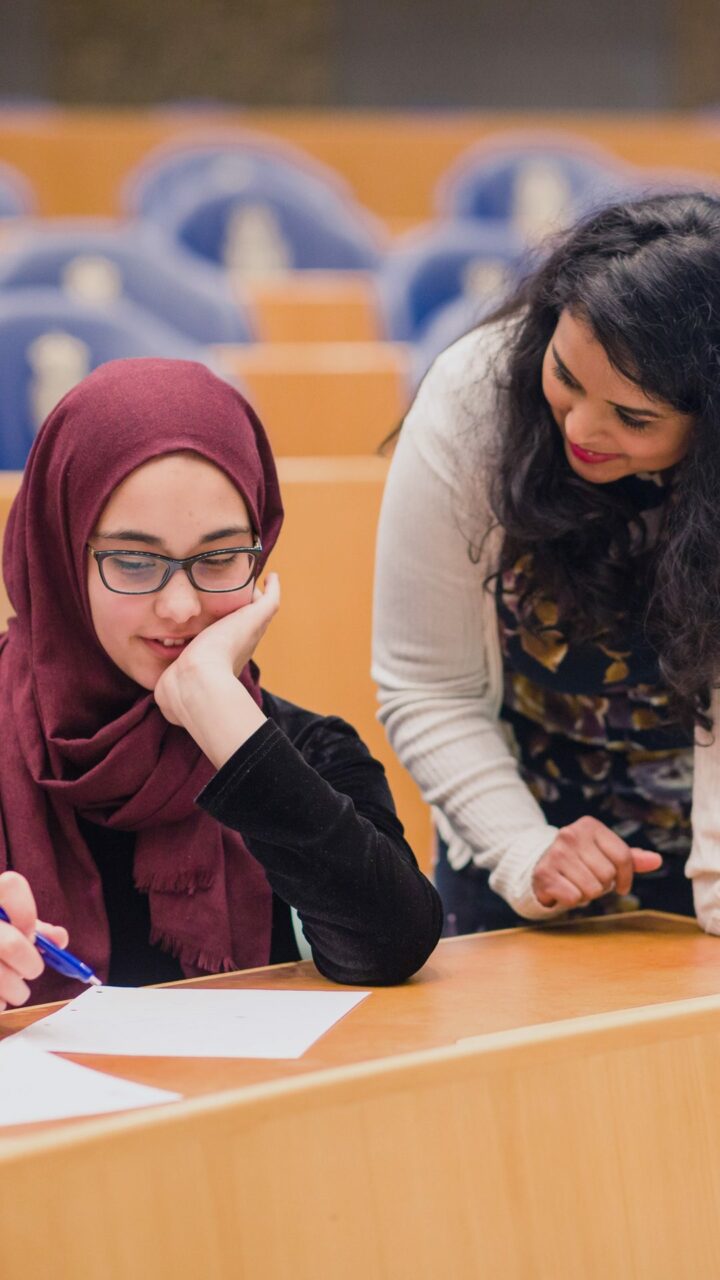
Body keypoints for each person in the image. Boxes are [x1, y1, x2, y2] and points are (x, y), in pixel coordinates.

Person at [0, 357, 442, 1009]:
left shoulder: (303, 752)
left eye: (220, 558)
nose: (180, 607)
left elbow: (390, 945)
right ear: (61, 554)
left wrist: (220, 715)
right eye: (132, 559)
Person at [372, 190, 720, 936]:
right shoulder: (476, 399)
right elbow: (426, 683)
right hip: (518, 847)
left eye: (634, 417)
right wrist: (523, 849)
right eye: (566, 376)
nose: (584, 428)